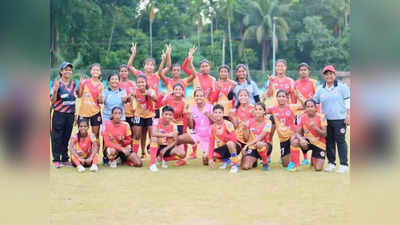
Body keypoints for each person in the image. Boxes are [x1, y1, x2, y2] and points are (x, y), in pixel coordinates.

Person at [127, 43, 165, 158]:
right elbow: (129, 66)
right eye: (147, 65)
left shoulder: (156, 76)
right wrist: (133, 54)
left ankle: (155, 153)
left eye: (152, 65)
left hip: (154, 110)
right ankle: (142, 152)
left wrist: (164, 59)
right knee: (139, 133)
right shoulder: (140, 75)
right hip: (140, 112)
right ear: (144, 66)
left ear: (154, 67)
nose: (149, 67)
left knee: (152, 132)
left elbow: (163, 69)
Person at [160, 88, 214, 165]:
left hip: (207, 137)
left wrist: (209, 115)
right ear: (194, 97)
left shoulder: (210, 107)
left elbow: (215, 122)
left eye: (201, 96)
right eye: (197, 96)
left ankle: (211, 155)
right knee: (178, 139)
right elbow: (191, 127)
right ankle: (175, 156)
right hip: (196, 135)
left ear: (204, 97)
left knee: (205, 160)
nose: (199, 97)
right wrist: (189, 118)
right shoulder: (192, 109)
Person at [314, 65, 350, 173]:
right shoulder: (320, 89)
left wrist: (348, 115)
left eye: (331, 74)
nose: (329, 76)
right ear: (324, 76)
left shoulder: (342, 87)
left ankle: (344, 164)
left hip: (340, 119)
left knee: (340, 141)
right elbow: (314, 102)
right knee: (329, 141)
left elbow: (348, 102)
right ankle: (331, 163)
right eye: (326, 74)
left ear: (334, 75)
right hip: (325, 120)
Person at [50, 62, 76, 168]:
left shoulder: (73, 84)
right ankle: (56, 159)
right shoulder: (57, 83)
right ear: (61, 71)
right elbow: (52, 101)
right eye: (65, 69)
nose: (68, 71)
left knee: (66, 136)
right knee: (57, 137)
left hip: (70, 115)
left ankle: (65, 159)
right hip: (59, 114)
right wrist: (55, 90)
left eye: (70, 70)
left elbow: (75, 99)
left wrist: (75, 114)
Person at [266, 90, 300, 171]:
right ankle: (291, 157)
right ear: (276, 98)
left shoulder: (291, 107)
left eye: (283, 96)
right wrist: (263, 99)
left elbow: (304, 106)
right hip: (283, 139)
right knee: (285, 164)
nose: (281, 98)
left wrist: (299, 97)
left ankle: (295, 162)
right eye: (279, 96)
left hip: (292, 134)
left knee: (294, 140)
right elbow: (261, 110)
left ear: (286, 98)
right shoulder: (273, 109)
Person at [293, 62, 318, 166]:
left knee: (313, 133)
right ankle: (305, 158)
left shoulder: (313, 82)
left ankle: (314, 156)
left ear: (308, 71)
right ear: (299, 72)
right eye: (301, 70)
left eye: (305, 70)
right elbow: (294, 101)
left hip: (311, 113)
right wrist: (297, 109)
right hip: (300, 114)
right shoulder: (296, 83)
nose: (303, 71)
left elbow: (316, 99)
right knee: (301, 135)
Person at [291, 99, 327, 171]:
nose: (310, 108)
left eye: (311, 106)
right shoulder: (302, 117)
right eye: (307, 106)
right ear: (305, 108)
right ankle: (294, 164)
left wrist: (315, 128)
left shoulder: (322, 117)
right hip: (307, 142)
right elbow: (297, 132)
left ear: (315, 108)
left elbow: (325, 134)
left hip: (320, 144)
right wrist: (301, 139)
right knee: (294, 141)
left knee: (318, 168)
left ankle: (314, 156)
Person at [148, 106, 186, 172]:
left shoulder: (174, 125)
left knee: (182, 154)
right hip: (157, 145)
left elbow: (175, 140)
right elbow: (153, 133)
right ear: (162, 114)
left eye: (170, 115)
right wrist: (167, 135)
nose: (168, 116)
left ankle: (163, 159)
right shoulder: (156, 121)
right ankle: (152, 164)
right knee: (154, 138)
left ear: (172, 116)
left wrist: (165, 149)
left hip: (167, 147)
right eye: (166, 114)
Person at [159, 83, 188, 166]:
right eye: (176, 89)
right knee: (167, 141)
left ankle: (183, 159)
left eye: (180, 89)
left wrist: (184, 130)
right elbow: (159, 105)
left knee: (181, 140)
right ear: (173, 90)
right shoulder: (168, 99)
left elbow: (185, 117)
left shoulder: (184, 102)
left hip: (180, 124)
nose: (178, 91)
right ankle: (166, 156)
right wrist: (162, 96)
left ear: (183, 91)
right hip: (168, 124)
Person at [208, 104, 241, 173]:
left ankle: (235, 165)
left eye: (219, 112)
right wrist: (210, 158)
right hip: (224, 148)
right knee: (211, 155)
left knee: (230, 143)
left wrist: (223, 134)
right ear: (213, 114)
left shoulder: (228, 124)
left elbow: (234, 139)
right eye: (215, 112)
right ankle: (226, 160)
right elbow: (211, 144)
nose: (217, 114)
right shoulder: (212, 127)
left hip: (235, 146)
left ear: (223, 114)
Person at [77, 63, 104, 144]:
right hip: (83, 112)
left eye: (97, 70)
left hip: (95, 112)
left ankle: (95, 154)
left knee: (95, 135)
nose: (95, 71)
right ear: (91, 71)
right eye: (94, 69)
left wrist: (100, 95)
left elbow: (101, 102)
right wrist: (80, 85)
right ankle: (83, 153)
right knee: (82, 134)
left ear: (100, 72)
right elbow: (79, 95)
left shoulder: (101, 85)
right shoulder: (85, 82)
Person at [241, 102, 273, 171]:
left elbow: (260, 137)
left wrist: (246, 145)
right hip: (253, 147)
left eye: (260, 109)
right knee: (245, 166)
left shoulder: (268, 122)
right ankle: (254, 161)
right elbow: (245, 138)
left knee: (259, 144)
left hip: (265, 145)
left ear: (264, 111)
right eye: (256, 109)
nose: (258, 111)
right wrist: (244, 129)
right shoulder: (249, 121)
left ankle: (265, 162)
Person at [131, 75, 157, 158]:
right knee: (137, 135)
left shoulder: (150, 91)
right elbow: (130, 99)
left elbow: (156, 100)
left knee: (152, 135)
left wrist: (151, 95)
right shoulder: (135, 91)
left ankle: (153, 156)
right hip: (139, 115)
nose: (140, 84)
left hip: (150, 115)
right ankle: (139, 154)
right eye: (138, 82)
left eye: (142, 82)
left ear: (146, 83)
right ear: (136, 83)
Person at [229, 89, 255, 169]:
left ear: (248, 97)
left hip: (251, 139)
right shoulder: (235, 110)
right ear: (238, 97)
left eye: (245, 95)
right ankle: (234, 160)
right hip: (239, 138)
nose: (243, 97)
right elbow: (235, 127)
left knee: (245, 166)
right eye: (241, 95)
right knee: (230, 143)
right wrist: (232, 117)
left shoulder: (253, 108)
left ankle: (251, 156)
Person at [118, 64, 136, 129]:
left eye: (125, 71)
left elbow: (136, 97)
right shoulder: (116, 84)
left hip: (131, 113)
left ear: (128, 72)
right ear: (119, 72)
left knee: (132, 135)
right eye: (122, 71)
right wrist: (128, 96)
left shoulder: (132, 84)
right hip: (120, 114)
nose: (123, 73)